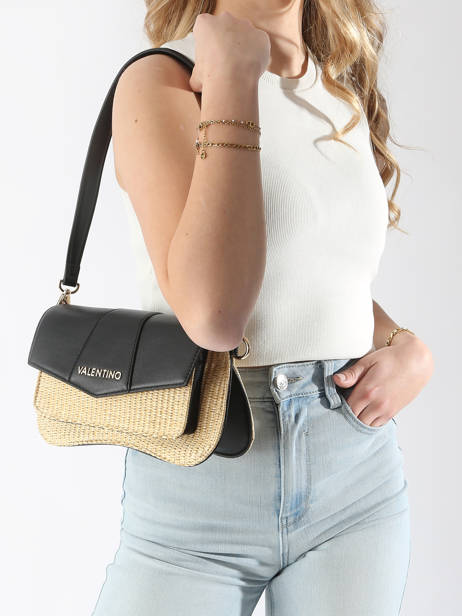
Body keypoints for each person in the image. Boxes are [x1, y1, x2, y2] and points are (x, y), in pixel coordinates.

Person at [91, 2, 434, 614]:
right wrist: (232, 80)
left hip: (355, 481)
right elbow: (212, 315)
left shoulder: (337, 88)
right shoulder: (164, 80)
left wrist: (402, 345)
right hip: (199, 484)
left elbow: (319, 276)